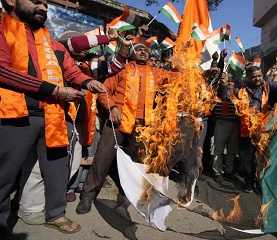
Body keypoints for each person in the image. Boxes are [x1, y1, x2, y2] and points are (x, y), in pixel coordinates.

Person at [0, 0, 106, 236]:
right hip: (15, 115)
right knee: (4, 174)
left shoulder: (53, 43)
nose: (44, 7)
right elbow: (2, 70)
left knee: (58, 169)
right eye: (37, 1)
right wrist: (54, 90)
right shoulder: (3, 28)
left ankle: (56, 214)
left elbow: (71, 71)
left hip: (55, 116)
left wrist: (88, 82)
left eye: (46, 4)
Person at [76, 43, 166, 217]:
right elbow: (103, 91)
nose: (143, 52)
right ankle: (88, 196)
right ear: (132, 53)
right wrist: (113, 107)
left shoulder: (156, 72)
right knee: (103, 159)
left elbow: (176, 78)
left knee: (137, 165)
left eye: (146, 50)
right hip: (117, 122)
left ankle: (125, 200)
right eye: (139, 49)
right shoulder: (121, 70)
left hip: (142, 127)